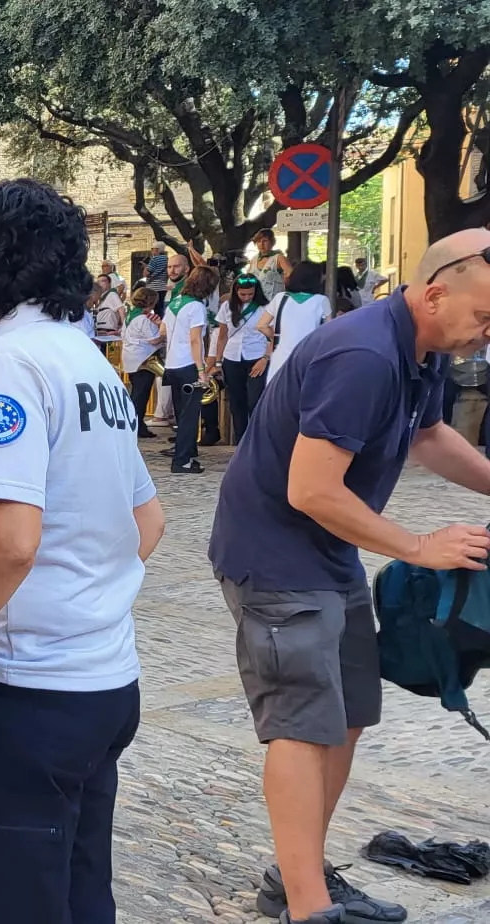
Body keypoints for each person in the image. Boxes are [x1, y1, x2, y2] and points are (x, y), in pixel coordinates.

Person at [208, 228, 490, 924]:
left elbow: (427, 436)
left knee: (349, 716)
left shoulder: (417, 350)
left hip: (326, 554)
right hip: (274, 555)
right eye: (483, 316)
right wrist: (420, 545)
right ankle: (309, 910)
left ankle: (299, 876)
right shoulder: (364, 354)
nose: (486, 334)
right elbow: (311, 489)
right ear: (434, 293)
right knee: (303, 724)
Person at [0, 178, 165, 924]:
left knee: (18, 902)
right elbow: (146, 522)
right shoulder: (91, 362)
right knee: (83, 889)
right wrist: (88, 597)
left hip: (28, 691)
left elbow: (10, 541)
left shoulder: (8, 364)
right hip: (105, 681)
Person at [162, 265, 217, 473]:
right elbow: (196, 340)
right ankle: (182, 461)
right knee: (190, 416)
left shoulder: (174, 303)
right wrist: (201, 370)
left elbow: (163, 331)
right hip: (188, 364)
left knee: (180, 413)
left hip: (171, 364)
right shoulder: (196, 307)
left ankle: (188, 452)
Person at [214, 273, 272, 444]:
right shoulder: (227, 307)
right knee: (236, 401)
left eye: (250, 294)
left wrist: (265, 358)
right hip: (232, 356)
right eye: (243, 294)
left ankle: (257, 440)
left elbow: (273, 336)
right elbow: (222, 335)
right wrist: (218, 361)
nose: (247, 297)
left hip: (257, 356)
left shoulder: (265, 308)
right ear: (236, 292)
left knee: (255, 400)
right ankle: (241, 441)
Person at [262, 262, 333, 385]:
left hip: (280, 359)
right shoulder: (321, 301)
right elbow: (329, 332)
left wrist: (277, 336)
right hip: (309, 358)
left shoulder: (280, 297)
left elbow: (261, 325)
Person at [122, 285, 165, 439]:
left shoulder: (131, 314)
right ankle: (137, 425)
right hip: (143, 360)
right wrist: (163, 332)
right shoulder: (143, 319)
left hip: (132, 359)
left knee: (137, 394)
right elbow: (154, 339)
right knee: (141, 396)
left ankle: (137, 423)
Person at [254, 229, 293, 299]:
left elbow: (290, 275)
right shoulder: (254, 259)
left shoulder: (279, 258)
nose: (261, 244)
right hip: (256, 301)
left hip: (274, 301)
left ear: (272, 242)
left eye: (265, 241)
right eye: (259, 241)